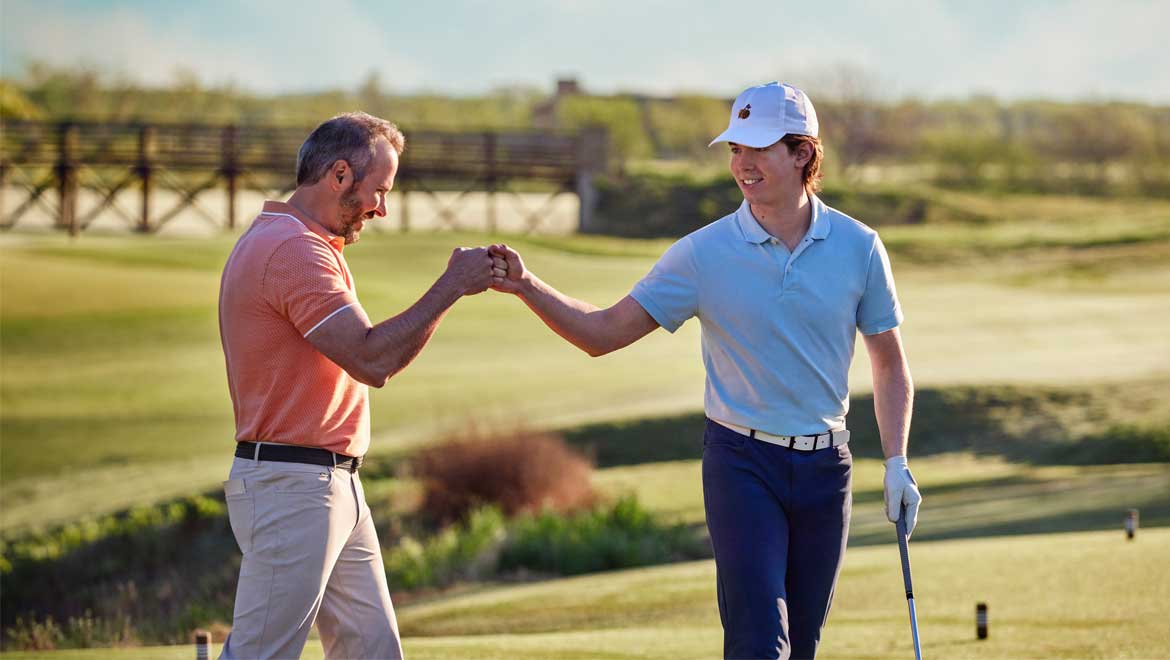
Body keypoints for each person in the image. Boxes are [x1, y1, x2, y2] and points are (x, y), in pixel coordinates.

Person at [490, 82, 922, 659]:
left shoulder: (859, 246)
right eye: (734, 149)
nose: (742, 163)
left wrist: (897, 461)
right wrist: (526, 285)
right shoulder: (702, 253)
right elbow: (603, 332)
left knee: (802, 648)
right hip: (742, 463)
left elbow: (888, 362)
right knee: (758, 644)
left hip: (826, 467)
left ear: (802, 154)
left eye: (758, 148)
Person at [217, 111, 505, 659]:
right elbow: (373, 359)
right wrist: (453, 284)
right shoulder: (293, 251)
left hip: (329, 483)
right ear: (341, 175)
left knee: (373, 653)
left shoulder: (299, 242)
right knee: (261, 654)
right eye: (379, 190)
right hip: (293, 483)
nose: (382, 207)